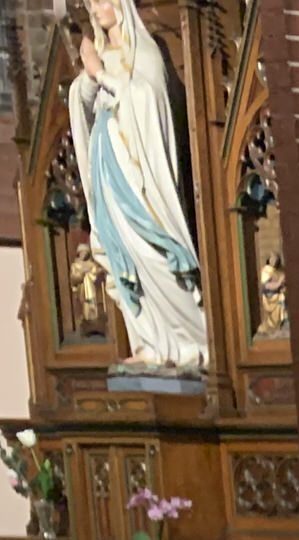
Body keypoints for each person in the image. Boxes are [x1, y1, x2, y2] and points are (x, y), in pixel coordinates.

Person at [68, 0, 207, 368]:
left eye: (101, 1)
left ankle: (192, 339)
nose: (95, 10)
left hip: (138, 176)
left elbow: (148, 100)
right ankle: (150, 341)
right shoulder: (104, 55)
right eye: (91, 3)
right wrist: (88, 78)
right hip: (107, 169)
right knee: (121, 255)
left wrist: (101, 74)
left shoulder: (144, 53)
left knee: (152, 251)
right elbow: (84, 103)